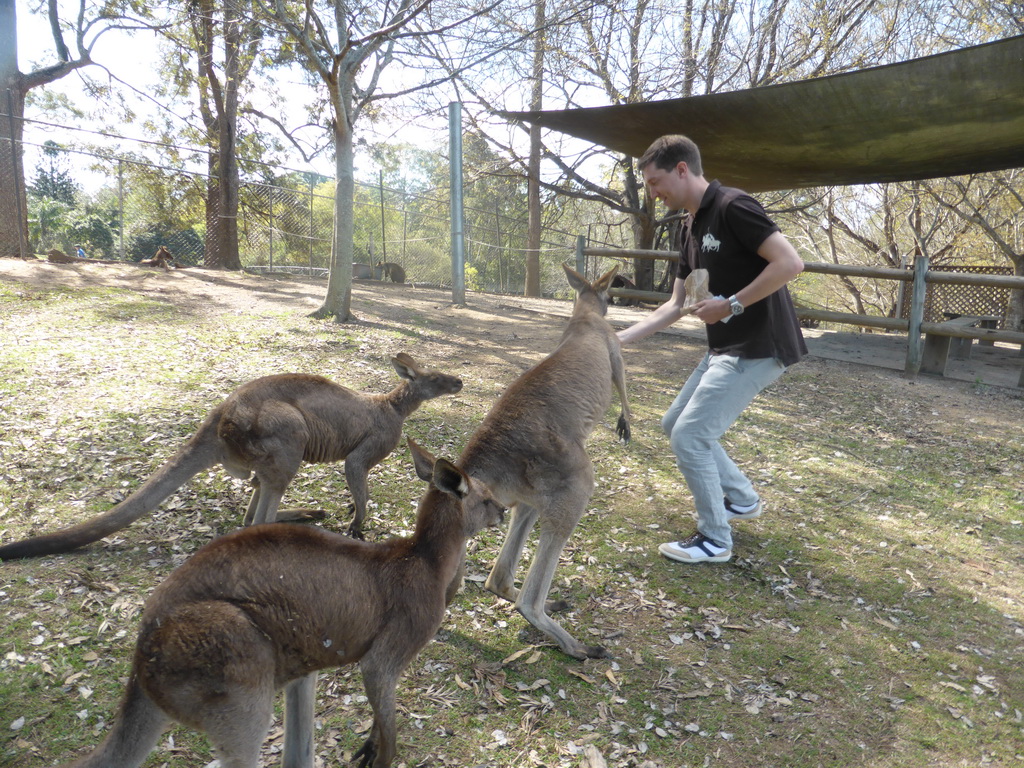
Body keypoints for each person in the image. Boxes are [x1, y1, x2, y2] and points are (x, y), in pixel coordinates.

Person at [617, 134, 807, 564]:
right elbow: (675, 305)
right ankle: (741, 499)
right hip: (725, 348)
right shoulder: (688, 226)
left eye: (656, 181)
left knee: (691, 435)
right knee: (674, 424)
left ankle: (714, 540)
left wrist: (732, 304)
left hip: (759, 345)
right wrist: (618, 339)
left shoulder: (733, 206)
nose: (653, 192)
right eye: (648, 184)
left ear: (682, 169)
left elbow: (790, 264)